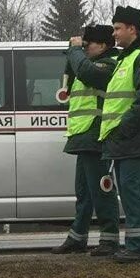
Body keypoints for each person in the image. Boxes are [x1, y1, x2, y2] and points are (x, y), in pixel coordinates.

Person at [99, 5, 140, 263]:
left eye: (117, 29)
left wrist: (124, 128)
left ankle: (137, 246)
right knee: (128, 190)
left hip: (135, 135)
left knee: (132, 189)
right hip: (124, 138)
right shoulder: (126, 57)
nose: (114, 34)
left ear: (132, 29)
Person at [51, 24, 122, 256]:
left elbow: (87, 73)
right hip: (84, 135)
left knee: (102, 190)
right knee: (84, 192)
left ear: (102, 45)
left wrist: (75, 51)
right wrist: (73, 52)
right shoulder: (87, 63)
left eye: (88, 44)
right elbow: (69, 83)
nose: (85, 47)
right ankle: (77, 237)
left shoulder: (109, 64)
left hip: (98, 135)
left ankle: (109, 240)